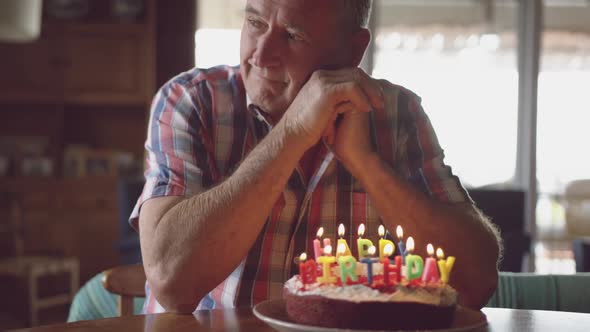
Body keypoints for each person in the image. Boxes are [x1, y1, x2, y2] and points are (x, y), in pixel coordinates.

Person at [130, 0, 501, 313]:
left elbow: (475, 282)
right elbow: (171, 282)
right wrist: (292, 133)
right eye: (255, 22)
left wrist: (365, 162)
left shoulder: (398, 114)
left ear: (353, 50)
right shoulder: (191, 101)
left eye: (293, 35)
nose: (260, 55)